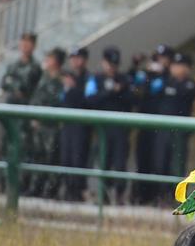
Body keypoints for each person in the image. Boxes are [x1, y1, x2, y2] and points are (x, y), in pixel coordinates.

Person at [85, 46, 131, 203]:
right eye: (109, 64)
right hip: (102, 128)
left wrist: (120, 90)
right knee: (103, 161)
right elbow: (90, 99)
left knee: (120, 163)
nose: (112, 68)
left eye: (114, 64)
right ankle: (102, 195)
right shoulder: (96, 79)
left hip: (120, 128)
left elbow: (132, 99)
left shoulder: (124, 79)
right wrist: (110, 92)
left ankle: (119, 194)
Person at [131, 44, 171, 204]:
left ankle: (158, 196)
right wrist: (136, 65)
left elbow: (159, 90)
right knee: (143, 159)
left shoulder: (168, 78)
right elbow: (136, 86)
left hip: (161, 126)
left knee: (160, 162)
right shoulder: (148, 75)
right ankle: (142, 195)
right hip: (144, 123)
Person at [153, 52, 195, 189]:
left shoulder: (190, 85)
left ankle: (172, 196)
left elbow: (184, 94)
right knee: (160, 162)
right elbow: (152, 91)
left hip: (180, 131)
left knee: (177, 164)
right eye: (175, 65)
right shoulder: (164, 81)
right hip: (163, 129)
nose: (177, 69)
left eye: (181, 66)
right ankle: (159, 195)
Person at [28, 48, 65, 198]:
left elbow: (59, 102)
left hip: (52, 126)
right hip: (39, 125)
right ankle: (34, 188)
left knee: (51, 159)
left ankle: (50, 191)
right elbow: (36, 98)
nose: (47, 61)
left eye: (50, 58)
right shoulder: (43, 78)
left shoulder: (61, 81)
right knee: (38, 157)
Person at [59, 47, 91, 201]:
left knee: (78, 157)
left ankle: (77, 191)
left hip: (81, 124)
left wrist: (73, 88)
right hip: (67, 123)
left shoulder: (89, 79)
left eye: (78, 58)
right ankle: (67, 189)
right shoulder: (65, 77)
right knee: (66, 157)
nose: (75, 61)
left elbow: (89, 100)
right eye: (73, 58)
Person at [0, 32, 41, 105]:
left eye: (28, 42)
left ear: (33, 46)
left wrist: (12, 83)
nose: (25, 45)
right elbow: (4, 83)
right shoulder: (13, 65)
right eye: (23, 41)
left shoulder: (35, 66)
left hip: (26, 106)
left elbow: (26, 86)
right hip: (10, 104)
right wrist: (15, 87)